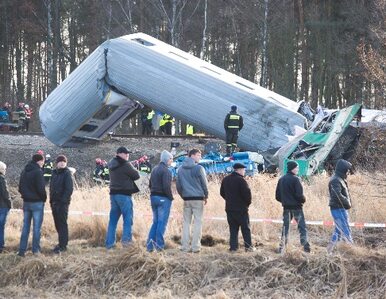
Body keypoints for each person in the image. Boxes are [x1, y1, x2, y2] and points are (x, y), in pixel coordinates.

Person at [105, 146, 140, 249]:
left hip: (113, 195)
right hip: (124, 195)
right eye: (126, 153)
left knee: (112, 221)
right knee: (128, 220)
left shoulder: (111, 163)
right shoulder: (126, 164)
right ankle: (126, 243)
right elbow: (136, 175)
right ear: (119, 153)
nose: (127, 155)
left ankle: (110, 244)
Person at [176, 148, 208, 253]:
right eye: (199, 155)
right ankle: (195, 247)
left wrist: (183, 195)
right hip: (198, 199)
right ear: (192, 155)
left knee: (186, 223)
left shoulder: (180, 169)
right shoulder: (199, 168)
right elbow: (204, 184)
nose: (200, 157)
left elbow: (178, 186)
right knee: (198, 222)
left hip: (186, 199)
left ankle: (185, 247)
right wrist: (206, 196)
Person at [275, 160, 310, 253]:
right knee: (302, 227)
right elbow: (299, 195)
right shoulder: (296, 179)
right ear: (292, 169)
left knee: (285, 228)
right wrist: (303, 200)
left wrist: (285, 201)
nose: (298, 169)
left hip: (286, 208)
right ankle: (306, 247)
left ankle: (282, 248)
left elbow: (277, 196)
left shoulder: (281, 179)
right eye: (297, 168)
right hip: (297, 208)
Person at [220, 163, 255, 252]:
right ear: (239, 170)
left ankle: (233, 248)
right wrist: (247, 204)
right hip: (241, 209)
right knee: (245, 229)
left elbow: (222, 193)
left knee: (233, 229)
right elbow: (247, 195)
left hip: (229, 209)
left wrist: (229, 200)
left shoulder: (226, 179)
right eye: (243, 170)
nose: (244, 171)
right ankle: (248, 247)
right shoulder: (241, 181)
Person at [18, 153, 47, 256]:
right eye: (43, 161)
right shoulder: (38, 172)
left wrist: (25, 196)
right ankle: (36, 251)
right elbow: (41, 189)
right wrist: (44, 199)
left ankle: (21, 251)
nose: (43, 163)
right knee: (36, 228)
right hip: (37, 203)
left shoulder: (24, 171)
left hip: (26, 202)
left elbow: (20, 187)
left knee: (25, 227)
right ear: (39, 161)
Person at [146, 150, 174, 251]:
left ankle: (149, 247)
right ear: (167, 159)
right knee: (162, 223)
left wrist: (154, 193)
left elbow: (150, 184)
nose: (172, 161)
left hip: (153, 197)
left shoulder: (154, 169)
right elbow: (166, 187)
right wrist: (171, 198)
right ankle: (159, 247)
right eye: (171, 159)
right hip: (163, 199)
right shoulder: (166, 171)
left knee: (155, 222)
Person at [327, 159, 353, 254]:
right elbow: (336, 195)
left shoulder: (340, 179)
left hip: (340, 208)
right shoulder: (335, 180)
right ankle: (351, 249)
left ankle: (329, 249)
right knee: (345, 228)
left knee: (338, 230)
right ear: (343, 169)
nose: (348, 172)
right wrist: (347, 202)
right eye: (347, 170)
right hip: (338, 208)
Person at [50, 155, 74, 254]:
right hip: (54, 203)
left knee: (62, 224)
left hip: (62, 204)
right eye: (60, 161)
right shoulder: (54, 173)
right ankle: (60, 243)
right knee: (57, 224)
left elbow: (69, 189)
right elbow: (51, 187)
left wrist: (63, 201)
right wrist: (51, 201)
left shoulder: (67, 174)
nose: (62, 163)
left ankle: (63, 246)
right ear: (57, 163)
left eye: (64, 161)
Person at [0, 161, 12, 253]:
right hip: (2, 206)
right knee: (1, 227)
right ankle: (1, 246)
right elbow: (5, 193)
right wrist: (9, 203)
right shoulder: (1, 179)